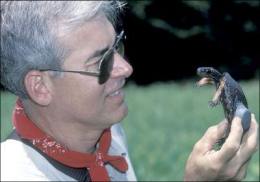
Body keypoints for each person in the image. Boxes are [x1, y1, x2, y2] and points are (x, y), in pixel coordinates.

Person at [0, 1, 258, 181]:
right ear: (40, 87)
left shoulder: (108, 136)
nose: (126, 68)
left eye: (117, 47)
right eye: (101, 62)